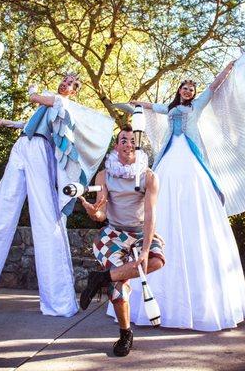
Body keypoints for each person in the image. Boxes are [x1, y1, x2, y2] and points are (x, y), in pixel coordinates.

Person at [0, 73, 114, 317]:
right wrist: (5, 122)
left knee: (45, 217)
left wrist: (32, 89)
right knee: (0, 211)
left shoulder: (62, 103)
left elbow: (35, 99)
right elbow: (29, 123)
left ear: (74, 91)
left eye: (70, 83)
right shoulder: (48, 104)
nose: (64, 83)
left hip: (41, 149)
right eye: (64, 79)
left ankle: (59, 302)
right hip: (21, 146)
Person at [127, 61, 245, 331]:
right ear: (179, 90)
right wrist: (135, 101)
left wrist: (226, 69)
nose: (188, 91)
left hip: (192, 157)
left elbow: (214, 88)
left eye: (191, 88)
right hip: (170, 155)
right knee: (162, 195)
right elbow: (150, 106)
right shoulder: (169, 109)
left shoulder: (197, 106)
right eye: (185, 87)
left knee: (194, 198)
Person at [79, 125, 165, 356]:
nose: (128, 144)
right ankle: (125, 334)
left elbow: (150, 216)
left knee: (156, 261)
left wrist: (145, 250)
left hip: (139, 233)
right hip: (113, 234)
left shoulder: (148, 176)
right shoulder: (104, 175)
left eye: (131, 141)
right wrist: (91, 211)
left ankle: (100, 278)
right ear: (116, 146)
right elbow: (102, 214)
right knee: (117, 291)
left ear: (136, 147)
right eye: (123, 140)